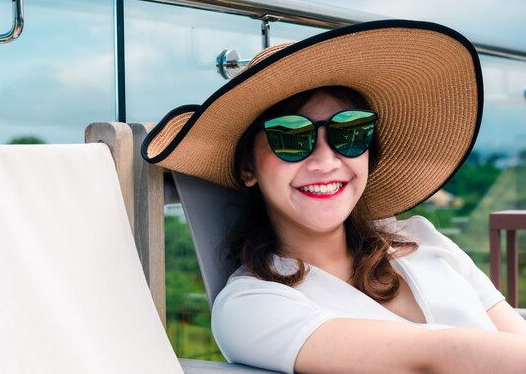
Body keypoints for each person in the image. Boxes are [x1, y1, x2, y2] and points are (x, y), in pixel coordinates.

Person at [142, 20, 526, 373]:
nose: (326, 161)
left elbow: (513, 333)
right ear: (248, 168)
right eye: (290, 138)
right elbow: (437, 357)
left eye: (350, 132)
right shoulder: (251, 306)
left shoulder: (420, 238)